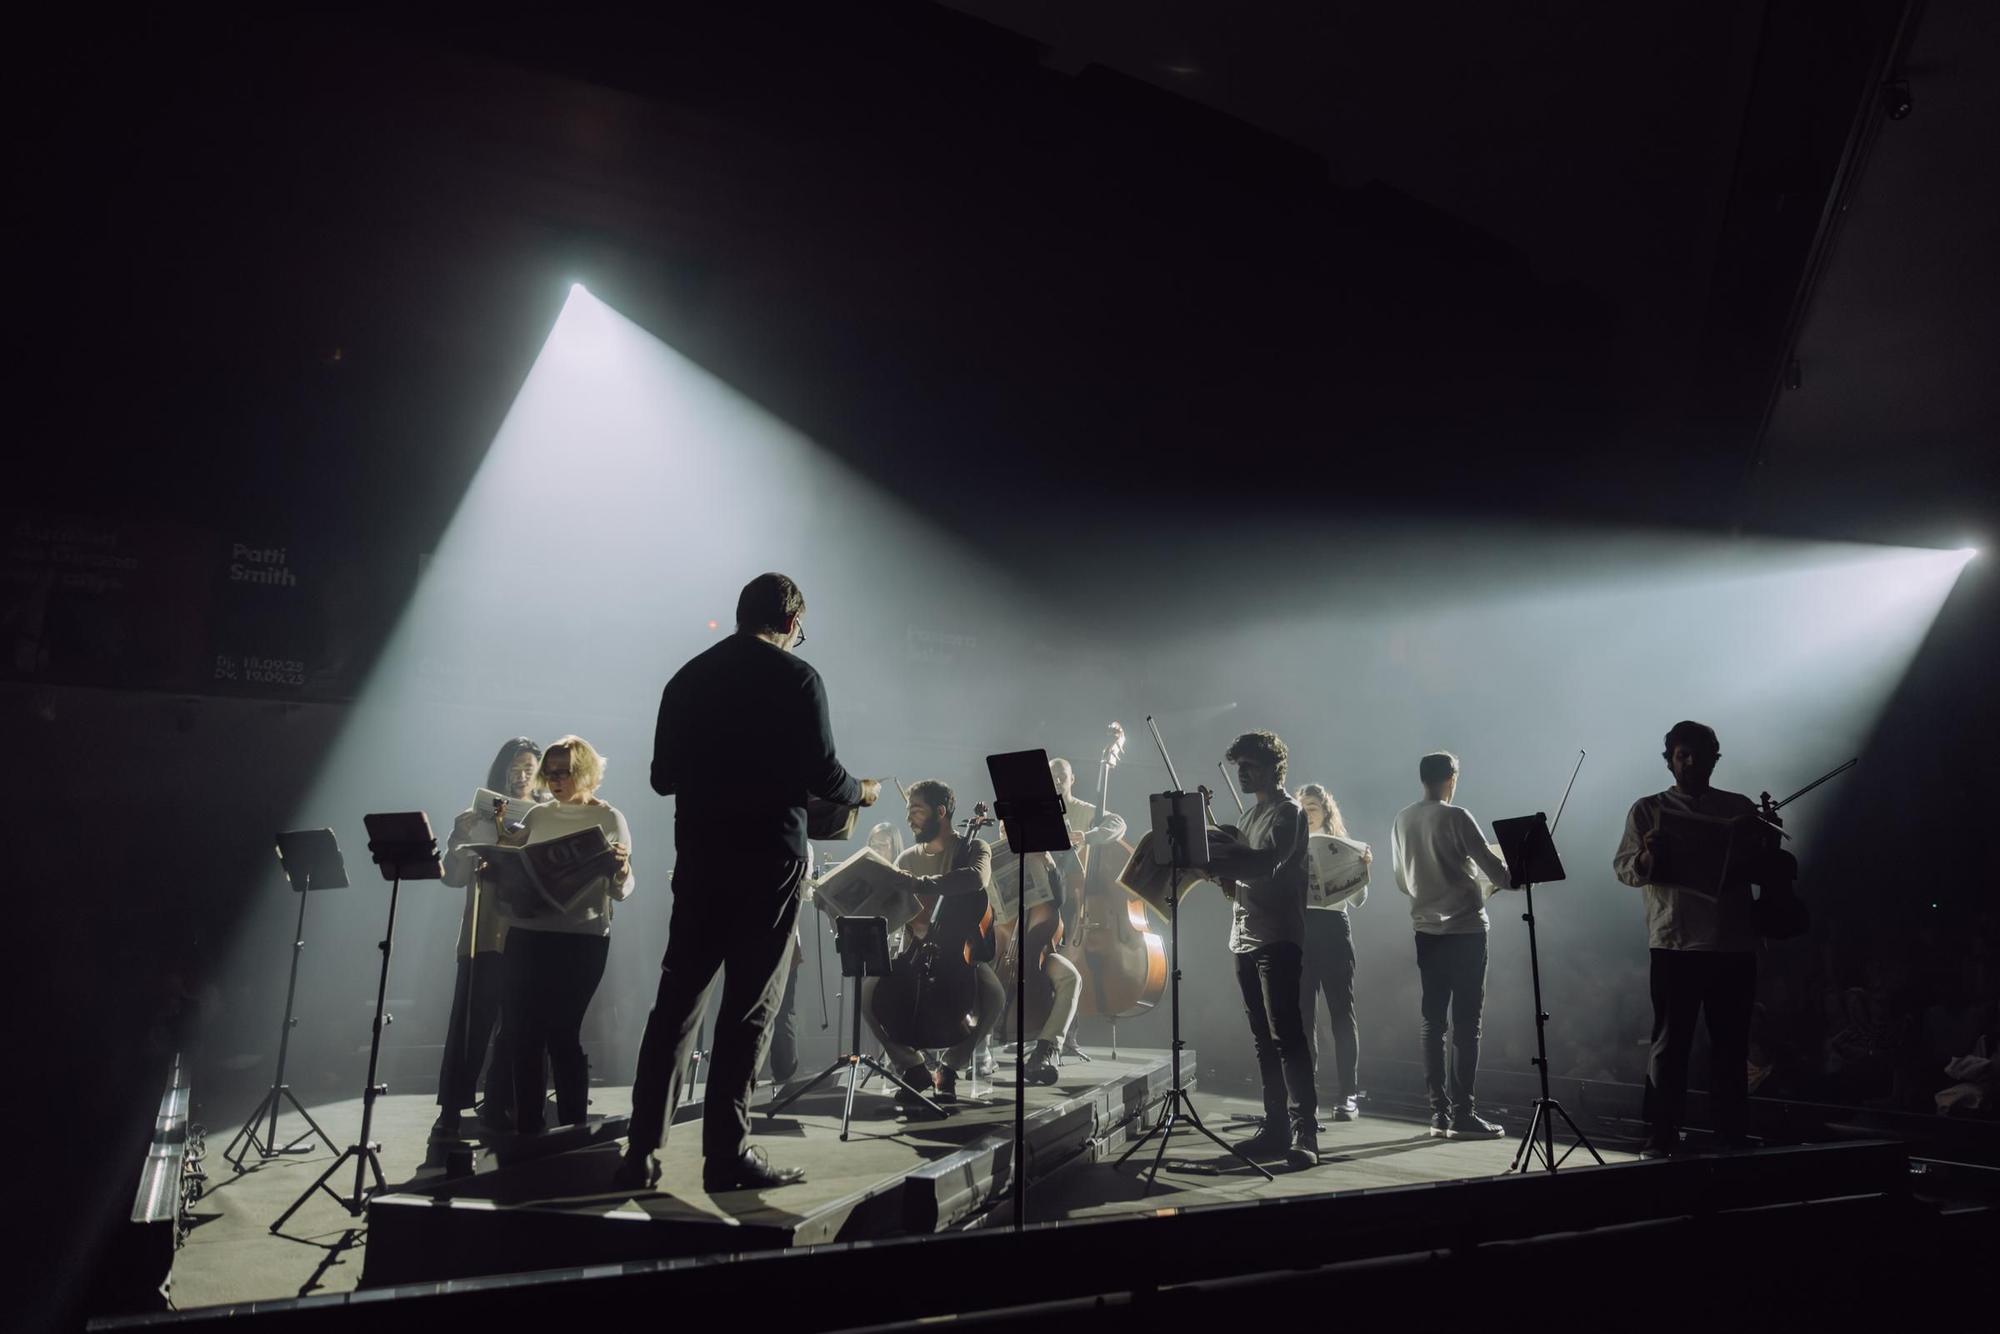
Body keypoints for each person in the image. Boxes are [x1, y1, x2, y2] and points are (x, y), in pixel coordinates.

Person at [618, 573, 879, 1193]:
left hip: (702, 856)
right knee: (749, 1010)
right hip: (770, 861)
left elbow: (661, 778)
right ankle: (725, 1156)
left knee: (675, 1008)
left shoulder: (687, 678)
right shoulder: (798, 677)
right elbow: (825, 774)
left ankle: (639, 1153)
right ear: (791, 623)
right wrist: (862, 793)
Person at [1613, 720, 1760, 1156]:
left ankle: (1730, 1136)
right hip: (1675, 942)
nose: (1691, 762)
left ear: (1715, 757)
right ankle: (1660, 1133)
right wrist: (1647, 854)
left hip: (1733, 942)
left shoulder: (1740, 808)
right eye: (1682, 754)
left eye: (1700, 754)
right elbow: (1624, 869)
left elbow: (1759, 868)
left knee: (1731, 1047)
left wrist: (1763, 841)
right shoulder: (1648, 808)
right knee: (1670, 1045)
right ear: (1670, 760)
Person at [494, 735, 634, 1135]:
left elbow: (622, 890)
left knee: (562, 1031)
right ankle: (529, 1129)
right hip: (528, 934)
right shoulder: (538, 817)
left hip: (581, 938)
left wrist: (621, 869)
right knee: (523, 1034)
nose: (555, 780)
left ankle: (574, 1129)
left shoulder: (609, 818)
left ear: (586, 773)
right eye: (549, 773)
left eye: (564, 772)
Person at [1389, 751, 1516, 1139]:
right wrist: (1515, 872)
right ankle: (1464, 1114)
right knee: (1466, 1024)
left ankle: (1438, 1114)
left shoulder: (1402, 818)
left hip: (1425, 929)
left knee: (1433, 1022)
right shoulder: (1457, 817)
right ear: (1452, 777)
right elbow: (1499, 875)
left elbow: (1401, 880)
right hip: (1465, 931)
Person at [1209, 730, 1317, 1166]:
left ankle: (1304, 1133)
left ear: (1272, 767)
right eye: (1238, 766)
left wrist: (1223, 851)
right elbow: (1239, 880)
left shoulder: (1288, 813)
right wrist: (1218, 867)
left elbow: (1266, 863)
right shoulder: (1249, 815)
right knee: (1263, 1041)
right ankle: (1274, 1128)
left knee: (1287, 1036)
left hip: (1277, 935)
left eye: (1248, 765)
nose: (1241, 773)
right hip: (1243, 936)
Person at [862, 779, 1004, 1105]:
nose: (909, 818)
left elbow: (974, 878)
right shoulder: (908, 857)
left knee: (994, 996)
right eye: (908, 811)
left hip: (956, 952)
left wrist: (916, 883)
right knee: (868, 996)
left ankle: (951, 1065)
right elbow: (891, 906)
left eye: (917, 810)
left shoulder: (974, 849)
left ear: (940, 812)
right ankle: (910, 1065)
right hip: (914, 949)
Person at [431, 737, 542, 1142]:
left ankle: (500, 1105)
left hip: (528, 934)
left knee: (519, 1028)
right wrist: (457, 842)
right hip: (482, 934)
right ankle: (450, 1110)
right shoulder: (475, 816)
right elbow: (452, 879)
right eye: (516, 768)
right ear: (502, 771)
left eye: (530, 768)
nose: (523, 775)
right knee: (468, 1025)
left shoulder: (544, 815)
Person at [1296, 781, 1368, 1122]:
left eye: (1312, 807)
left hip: (1335, 928)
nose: (1307, 813)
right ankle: (1305, 1094)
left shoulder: (1343, 844)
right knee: (1303, 1016)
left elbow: (1357, 900)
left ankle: (1348, 1094)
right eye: (1303, 807)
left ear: (1325, 810)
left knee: (1342, 1014)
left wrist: (1362, 871)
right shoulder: (1293, 843)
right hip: (1301, 930)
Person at [990, 819, 1081, 1085]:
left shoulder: (1043, 859)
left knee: (1071, 977)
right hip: (999, 949)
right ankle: (969, 1049)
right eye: (1002, 828)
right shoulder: (989, 858)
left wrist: (1049, 865)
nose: (1005, 832)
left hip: (1035, 952)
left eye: (1011, 828)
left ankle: (1045, 1050)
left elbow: (1059, 901)